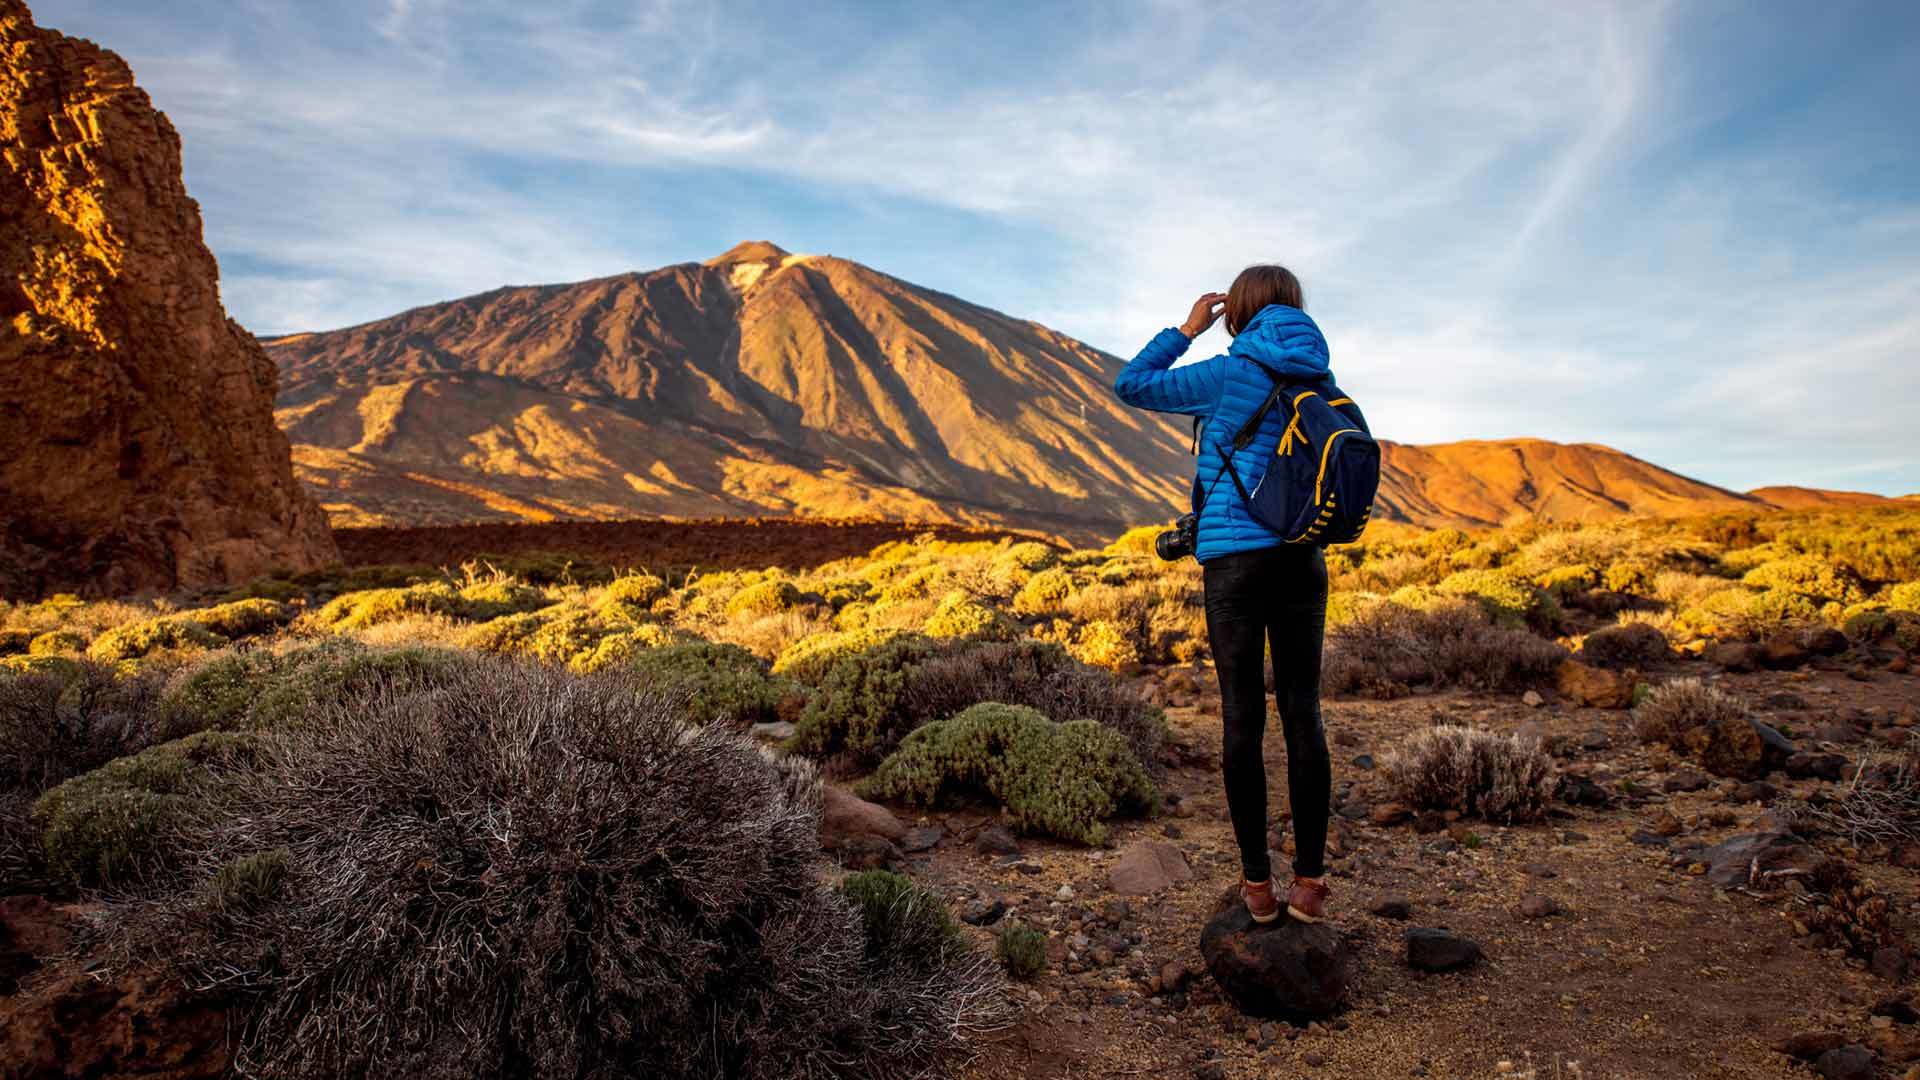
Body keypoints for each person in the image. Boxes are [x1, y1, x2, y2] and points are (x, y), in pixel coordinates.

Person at [1111, 264, 1353, 925]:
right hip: (1303, 561)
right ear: (1295, 308)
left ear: (1239, 311)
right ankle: (1309, 885)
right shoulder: (1321, 378)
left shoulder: (1229, 373)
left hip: (1235, 565)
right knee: (1304, 716)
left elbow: (1131, 385)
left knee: (1241, 720)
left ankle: (1257, 891)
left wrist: (1187, 329)